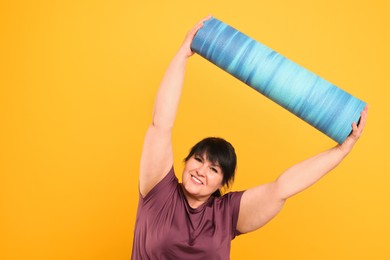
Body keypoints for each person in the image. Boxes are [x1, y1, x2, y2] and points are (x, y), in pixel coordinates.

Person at [131, 16, 368, 260]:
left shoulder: (227, 214)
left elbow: (282, 188)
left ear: (222, 182)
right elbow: (161, 124)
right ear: (186, 161)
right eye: (198, 160)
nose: (201, 170)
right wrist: (182, 54)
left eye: (213, 169)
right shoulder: (158, 193)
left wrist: (342, 150)